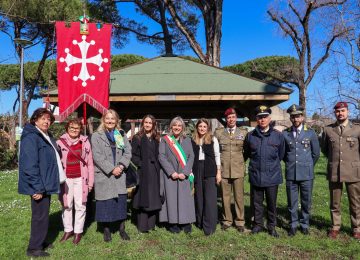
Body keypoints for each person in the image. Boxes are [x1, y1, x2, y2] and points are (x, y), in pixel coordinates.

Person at [18, 108, 64, 257]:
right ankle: (33, 248)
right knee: (39, 216)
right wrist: (36, 188)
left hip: (46, 182)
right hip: (39, 185)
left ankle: (41, 241)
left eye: (49, 119)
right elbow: (29, 165)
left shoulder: (45, 135)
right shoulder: (31, 137)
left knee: (43, 215)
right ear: (35, 120)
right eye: (43, 118)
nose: (46, 121)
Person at [244, 105, 285, 238]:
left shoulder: (278, 136)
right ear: (256, 119)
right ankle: (258, 224)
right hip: (256, 174)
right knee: (256, 203)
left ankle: (271, 226)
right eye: (260, 117)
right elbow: (248, 153)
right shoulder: (250, 136)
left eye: (265, 117)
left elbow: (281, 154)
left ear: (269, 118)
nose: (262, 120)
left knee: (271, 203)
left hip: (272, 175)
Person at [91, 109, 132, 241]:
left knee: (120, 203)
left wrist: (121, 166)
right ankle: (106, 230)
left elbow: (128, 152)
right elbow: (97, 156)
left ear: (116, 121)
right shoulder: (97, 135)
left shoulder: (120, 134)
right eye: (107, 118)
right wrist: (111, 169)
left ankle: (121, 229)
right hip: (105, 174)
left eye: (112, 119)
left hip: (119, 174)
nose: (110, 121)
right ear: (103, 120)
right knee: (106, 203)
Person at [321, 101, 360, 240]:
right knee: (335, 202)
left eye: (343, 111)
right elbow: (325, 149)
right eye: (337, 111)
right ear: (334, 113)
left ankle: (357, 228)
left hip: (353, 171)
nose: (340, 113)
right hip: (335, 171)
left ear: (347, 112)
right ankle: (335, 226)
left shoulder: (357, 129)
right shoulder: (328, 130)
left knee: (355, 202)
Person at [283, 104, 320, 236]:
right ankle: (293, 224)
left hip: (306, 174)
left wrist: (307, 165)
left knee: (306, 200)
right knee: (292, 201)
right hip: (291, 173)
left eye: (298, 116)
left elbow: (316, 154)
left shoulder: (310, 133)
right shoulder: (285, 134)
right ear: (290, 118)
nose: (295, 119)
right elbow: (283, 154)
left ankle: (304, 224)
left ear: (302, 117)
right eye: (293, 116)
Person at [57, 118, 94, 244]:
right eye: (71, 127)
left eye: (77, 128)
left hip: (80, 178)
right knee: (67, 205)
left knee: (80, 205)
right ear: (67, 128)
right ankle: (68, 230)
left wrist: (90, 183)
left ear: (80, 129)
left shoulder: (85, 142)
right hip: (66, 179)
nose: (74, 130)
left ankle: (78, 231)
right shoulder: (60, 142)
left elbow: (90, 164)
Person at [159, 116, 196, 233]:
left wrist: (185, 173)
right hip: (170, 175)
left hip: (184, 175)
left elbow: (191, 157)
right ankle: (173, 222)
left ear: (182, 127)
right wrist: (172, 172)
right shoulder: (165, 139)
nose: (177, 127)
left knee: (185, 199)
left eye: (179, 126)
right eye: (175, 125)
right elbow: (161, 156)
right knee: (171, 199)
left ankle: (186, 222)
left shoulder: (187, 140)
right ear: (171, 127)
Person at [214, 108, 247, 232]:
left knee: (239, 197)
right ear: (226, 119)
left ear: (236, 118)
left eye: (233, 117)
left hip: (238, 169)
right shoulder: (219, 133)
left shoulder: (243, 132)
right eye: (229, 117)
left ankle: (240, 221)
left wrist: (241, 162)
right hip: (224, 170)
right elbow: (216, 151)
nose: (231, 119)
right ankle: (227, 220)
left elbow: (247, 150)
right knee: (225, 197)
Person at [131, 115, 162, 233]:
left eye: (150, 123)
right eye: (146, 122)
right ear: (143, 123)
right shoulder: (137, 138)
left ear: (153, 125)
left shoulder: (156, 138)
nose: (148, 125)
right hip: (143, 171)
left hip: (154, 171)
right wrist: (140, 163)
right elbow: (133, 155)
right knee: (143, 197)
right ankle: (142, 225)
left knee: (153, 196)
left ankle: (151, 224)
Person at [191, 118, 222, 236]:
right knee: (199, 197)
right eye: (200, 126)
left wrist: (218, 172)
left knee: (210, 198)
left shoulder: (213, 139)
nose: (202, 128)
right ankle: (200, 221)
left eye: (204, 126)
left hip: (210, 170)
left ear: (208, 128)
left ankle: (209, 225)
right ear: (197, 128)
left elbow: (217, 156)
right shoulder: (193, 140)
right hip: (197, 169)